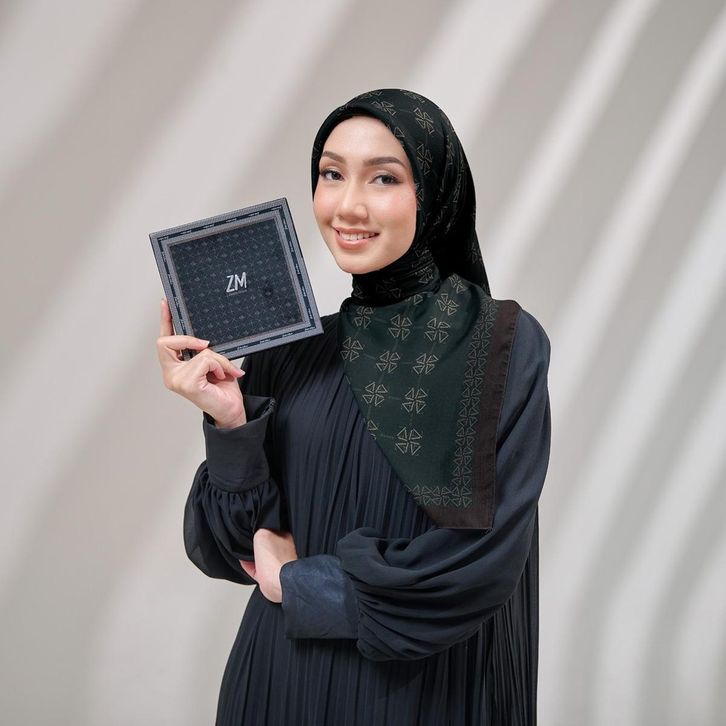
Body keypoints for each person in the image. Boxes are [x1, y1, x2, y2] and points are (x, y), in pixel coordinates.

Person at [156, 88, 551, 726]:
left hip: (428, 693)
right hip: (281, 686)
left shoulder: (499, 345)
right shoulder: (292, 347)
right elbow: (229, 545)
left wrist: (301, 585)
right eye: (331, 174)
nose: (347, 206)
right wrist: (228, 420)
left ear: (433, 194)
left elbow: (480, 565)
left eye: (384, 178)